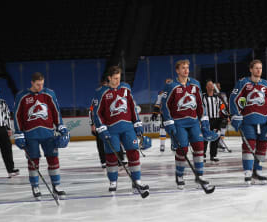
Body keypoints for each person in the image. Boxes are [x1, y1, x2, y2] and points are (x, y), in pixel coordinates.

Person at [161, 59, 218, 190]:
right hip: (178, 123)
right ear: (177, 70)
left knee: (199, 147)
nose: (186, 70)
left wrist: (204, 122)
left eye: (187, 68)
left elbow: (200, 105)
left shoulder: (195, 84)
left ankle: (200, 176)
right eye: (183, 68)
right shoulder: (171, 86)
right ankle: (179, 175)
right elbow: (165, 106)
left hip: (193, 122)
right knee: (183, 150)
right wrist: (169, 123)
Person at [92, 66, 149, 194]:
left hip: (128, 127)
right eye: (115, 78)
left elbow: (132, 107)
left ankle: (137, 181)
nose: (117, 81)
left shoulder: (125, 88)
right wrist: (102, 128)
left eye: (119, 78)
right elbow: (97, 113)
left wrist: (137, 123)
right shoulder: (102, 92)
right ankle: (113, 182)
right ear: (109, 78)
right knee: (112, 156)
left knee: (133, 152)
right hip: (111, 129)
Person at [13, 72, 69, 200]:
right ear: (32, 83)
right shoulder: (22, 96)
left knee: (53, 158)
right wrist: (18, 133)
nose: (40, 87)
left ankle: (56, 185)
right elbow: (17, 116)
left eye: (42, 84)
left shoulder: (49, 94)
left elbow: (56, 111)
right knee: (33, 160)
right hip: (30, 134)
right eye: (38, 84)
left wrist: (60, 126)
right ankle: (35, 186)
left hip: (48, 133)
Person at [229, 59, 267, 185]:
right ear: (251, 69)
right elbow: (233, 99)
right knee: (249, 146)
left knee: (262, 146)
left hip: (264, 121)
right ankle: (248, 173)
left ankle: (258, 172)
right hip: (247, 120)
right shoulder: (243, 83)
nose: (259, 70)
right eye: (256, 68)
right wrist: (235, 115)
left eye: (260, 68)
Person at [202, 80, 224, 162]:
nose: (211, 86)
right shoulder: (202, 97)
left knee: (215, 137)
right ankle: (203, 155)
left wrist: (225, 115)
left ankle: (213, 155)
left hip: (216, 120)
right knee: (205, 138)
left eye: (212, 85)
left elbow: (222, 107)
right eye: (209, 85)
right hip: (206, 120)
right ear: (206, 87)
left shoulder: (217, 97)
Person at [151, 78, 174, 152]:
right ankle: (162, 145)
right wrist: (155, 113)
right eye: (167, 82)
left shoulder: (176, 91)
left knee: (174, 130)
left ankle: (173, 144)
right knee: (162, 129)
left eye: (170, 82)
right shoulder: (161, 93)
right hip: (164, 114)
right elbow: (158, 103)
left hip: (174, 114)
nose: (168, 83)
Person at [215, 82, 230, 152]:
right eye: (218, 86)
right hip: (215, 115)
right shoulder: (212, 95)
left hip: (223, 114)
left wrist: (227, 114)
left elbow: (225, 104)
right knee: (217, 130)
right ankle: (217, 143)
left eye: (219, 86)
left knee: (223, 129)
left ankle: (220, 143)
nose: (219, 88)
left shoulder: (223, 94)